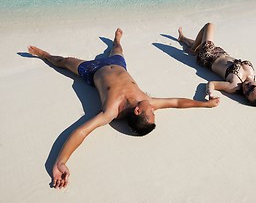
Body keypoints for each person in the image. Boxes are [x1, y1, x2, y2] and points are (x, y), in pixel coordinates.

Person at [28, 28, 219, 189]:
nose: (154, 110)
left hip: (92, 70)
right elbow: (177, 102)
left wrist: (61, 162)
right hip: (118, 65)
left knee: (63, 62)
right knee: (117, 49)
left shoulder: (112, 111)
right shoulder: (147, 102)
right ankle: (116, 39)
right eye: (153, 113)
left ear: (137, 112)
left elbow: (82, 131)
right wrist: (204, 104)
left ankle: (43, 55)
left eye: (151, 114)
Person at [177, 23, 256, 106]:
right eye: (251, 88)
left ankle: (193, 49)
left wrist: (210, 93)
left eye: (247, 93)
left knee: (209, 26)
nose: (246, 88)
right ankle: (183, 39)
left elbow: (212, 83)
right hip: (221, 52)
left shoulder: (234, 86)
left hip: (207, 56)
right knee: (199, 43)